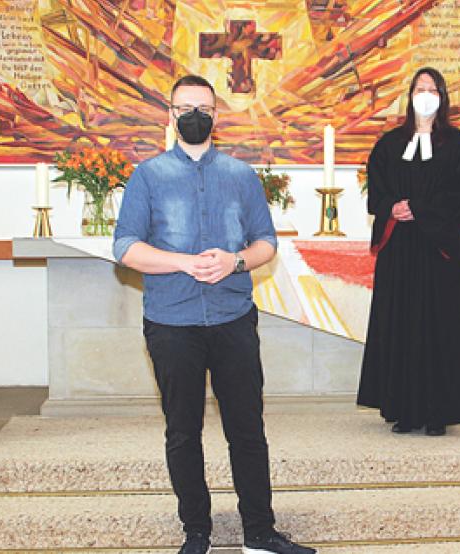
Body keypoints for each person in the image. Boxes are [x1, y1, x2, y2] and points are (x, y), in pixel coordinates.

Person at [113, 75, 315, 554]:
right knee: (183, 431)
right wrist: (183, 262)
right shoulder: (148, 176)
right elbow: (125, 247)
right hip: (171, 321)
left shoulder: (241, 177)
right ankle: (196, 532)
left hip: (231, 317)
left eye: (203, 107)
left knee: (247, 428)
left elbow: (267, 242)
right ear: (170, 115)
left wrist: (234, 261)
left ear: (216, 116)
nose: (194, 115)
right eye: (185, 107)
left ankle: (259, 534)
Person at [357, 67, 460, 436]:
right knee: (401, 326)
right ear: (409, 95)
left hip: (439, 252)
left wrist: (422, 210)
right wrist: (391, 207)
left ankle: (438, 412)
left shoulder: (459, 146)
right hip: (400, 252)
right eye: (419, 88)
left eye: (432, 89)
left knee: (439, 328)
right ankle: (403, 409)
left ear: (442, 97)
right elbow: (377, 191)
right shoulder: (389, 145)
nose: (425, 94)